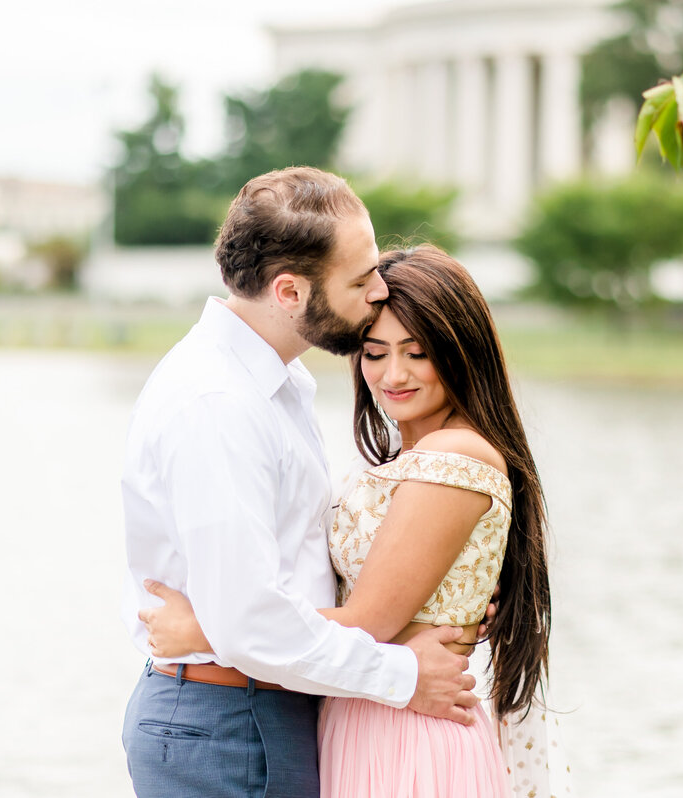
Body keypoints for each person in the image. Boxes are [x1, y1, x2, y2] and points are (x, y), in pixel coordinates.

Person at [120, 168, 479, 798]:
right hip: (230, 723)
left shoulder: (277, 387)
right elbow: (249, 623)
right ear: (290, 291)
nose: (378, 292)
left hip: (262, 711)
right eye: (361, 278)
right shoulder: (219, 404)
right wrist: (403, 672)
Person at [142, 246, 553, 797]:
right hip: (367, 709)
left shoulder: (454, 457)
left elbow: (368, 622)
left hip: (408, 734)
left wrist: (208, 629)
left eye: (418, 352)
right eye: (375, 352)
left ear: (461, 352)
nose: (394, 375)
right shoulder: (412, 459)